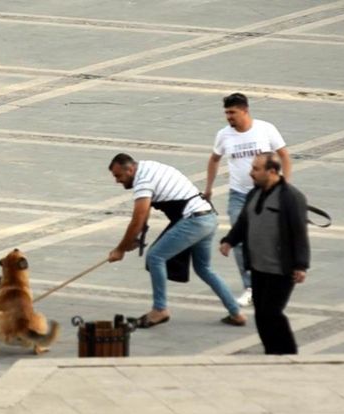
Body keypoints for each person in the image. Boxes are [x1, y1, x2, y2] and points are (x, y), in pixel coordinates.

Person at [107, 153, 246, 327]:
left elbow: (138, 216)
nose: (117, 181)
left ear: (130, 169)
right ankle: (236, 313)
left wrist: (120, 249)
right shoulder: (149, 166)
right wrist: (136, 237)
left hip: (194, 220)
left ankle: (160, 309)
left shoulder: (142, 180)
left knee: (155, 257)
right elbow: (144, 212)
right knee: (204, 268)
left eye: (118, 176)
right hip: (208, 217)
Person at [205, 93, 292, 307]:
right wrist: (208, 188)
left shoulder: (265, 129)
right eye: (226, 113)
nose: (228, 117)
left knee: (270, 238)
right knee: (239, 240)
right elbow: (214, 159)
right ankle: (250, 286)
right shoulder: (224, 135)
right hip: (238, 195)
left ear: (245, 110)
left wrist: (283, 186)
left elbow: (285, 156)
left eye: (232, 112)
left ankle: (277, 274)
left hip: (266, 193)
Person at [220, 153, 308, 354]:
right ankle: (271, 351)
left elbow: (299, 233)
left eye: (256, 169)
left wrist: (301, 265)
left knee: (272, 312)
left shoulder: (291, 197)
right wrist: (229, 241)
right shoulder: (254, 193)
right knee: (261, 313)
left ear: (272, 171)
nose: (251, 173)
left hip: (281, 269)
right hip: (258, 267)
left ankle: (288, 353)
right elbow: (244, 222)